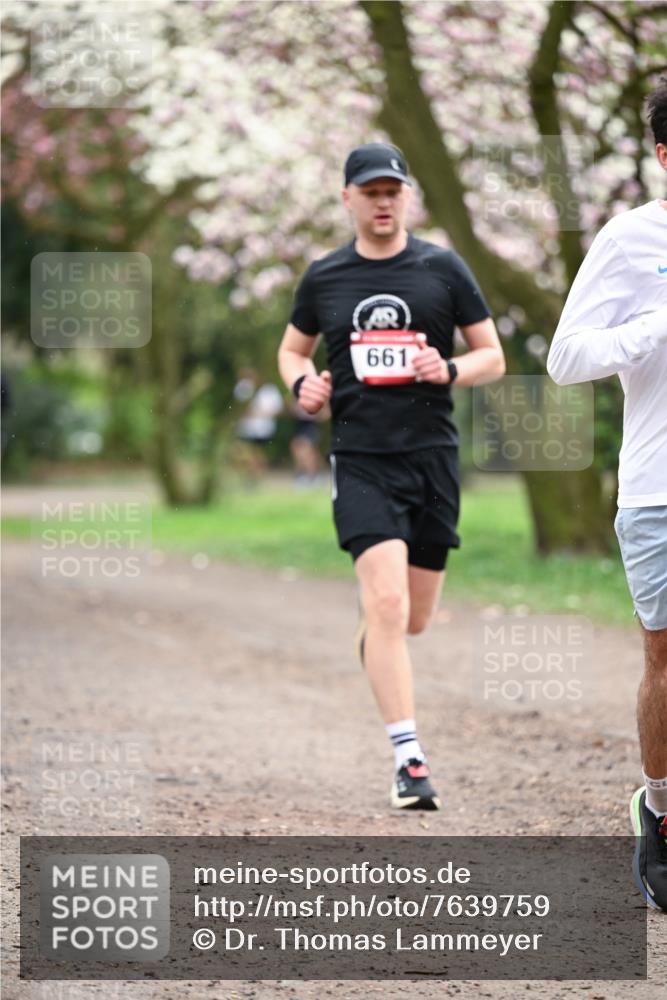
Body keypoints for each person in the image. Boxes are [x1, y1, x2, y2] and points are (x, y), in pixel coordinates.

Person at [277, 142, 505, 810]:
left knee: (413, 619)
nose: (381, 202)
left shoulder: (442, 267)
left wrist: (451, 370)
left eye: (391, 191)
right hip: (361, 459)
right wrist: (303, 385)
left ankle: (377, 634)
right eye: (369, 192)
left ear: (405, 196)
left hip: (431, 459)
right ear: (347, 199)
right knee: (385, 605)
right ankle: (409, 761)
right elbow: (292, 349)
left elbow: (491, 352)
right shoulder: (324, 278)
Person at [547, 79, 667, 910]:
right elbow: (565, 357)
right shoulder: (631, 240)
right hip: (659, 487)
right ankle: (660, 811)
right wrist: (653, 326)